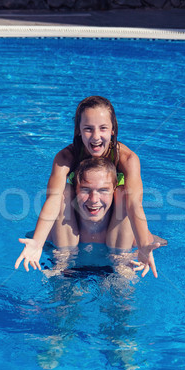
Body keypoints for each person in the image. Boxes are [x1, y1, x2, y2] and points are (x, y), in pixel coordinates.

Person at [15, 96, 162, 277]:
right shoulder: (65, 158)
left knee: (124, 194)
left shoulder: (127, 159)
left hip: (116, 227)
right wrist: (37, 242)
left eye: (103, 128)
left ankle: (121, 266)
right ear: (78, 130)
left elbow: (133, 203)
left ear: (113, 130)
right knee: (64, 191)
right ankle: (63, 262)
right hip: (76, 225)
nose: (96, 137)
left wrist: (143, 244)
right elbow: (53, 198)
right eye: (88, 129)